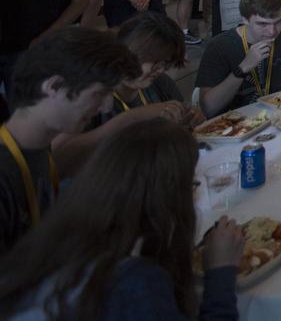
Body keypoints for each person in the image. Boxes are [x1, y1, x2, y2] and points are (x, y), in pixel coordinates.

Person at [1, 118, 245, 321]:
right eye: (189, 186)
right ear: (167, 196)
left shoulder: (54, 245)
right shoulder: (132, 283)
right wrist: (221, 272)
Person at [0, 28, 139, 251]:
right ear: (53, 86)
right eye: (99, 94)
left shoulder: (38, 152)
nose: (106, 106)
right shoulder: (6, 170)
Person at [50, 12, 196, 176]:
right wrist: (132, 118)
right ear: (129, 50)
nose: (160, 70)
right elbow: (57, 159)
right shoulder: (92, 93)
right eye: (154, 61)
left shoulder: (161, 84)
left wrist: (184, 124)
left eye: (166, 63)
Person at [194, 0, 281, 117]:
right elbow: (208, 108)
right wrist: (243, 68)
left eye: (278, 21)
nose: (272, 31)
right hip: (239, 126)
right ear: (244, 19)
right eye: (262, 24)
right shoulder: (219, 47)